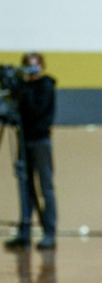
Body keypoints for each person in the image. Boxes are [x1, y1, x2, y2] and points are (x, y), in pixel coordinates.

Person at [4, 52, 58, 250]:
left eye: (36, 66)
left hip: (41, 141)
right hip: (24, 140)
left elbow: (38, 110)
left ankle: (49, 231)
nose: (32, 70)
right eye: (29, 66)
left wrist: (24, 90)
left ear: (41, 66)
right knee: (25, 187)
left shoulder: (46, 85)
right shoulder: (23, 88)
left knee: (46, 187)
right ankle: (24, 231)